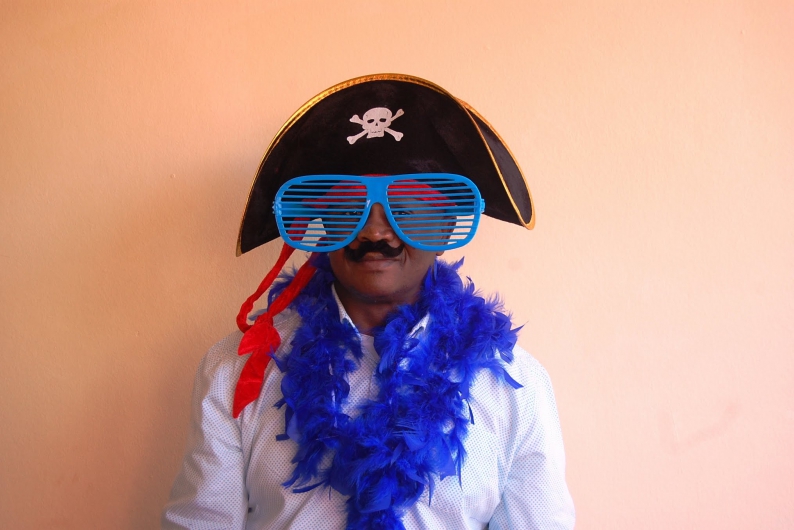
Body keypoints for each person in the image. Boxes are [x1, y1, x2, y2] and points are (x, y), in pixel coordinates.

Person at [163, 74, 575, 530]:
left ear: (445, 227)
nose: (375, 231)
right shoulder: (237, 373)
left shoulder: (516, 386)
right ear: (321, 223)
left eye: (409, 205)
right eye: (346, 205)